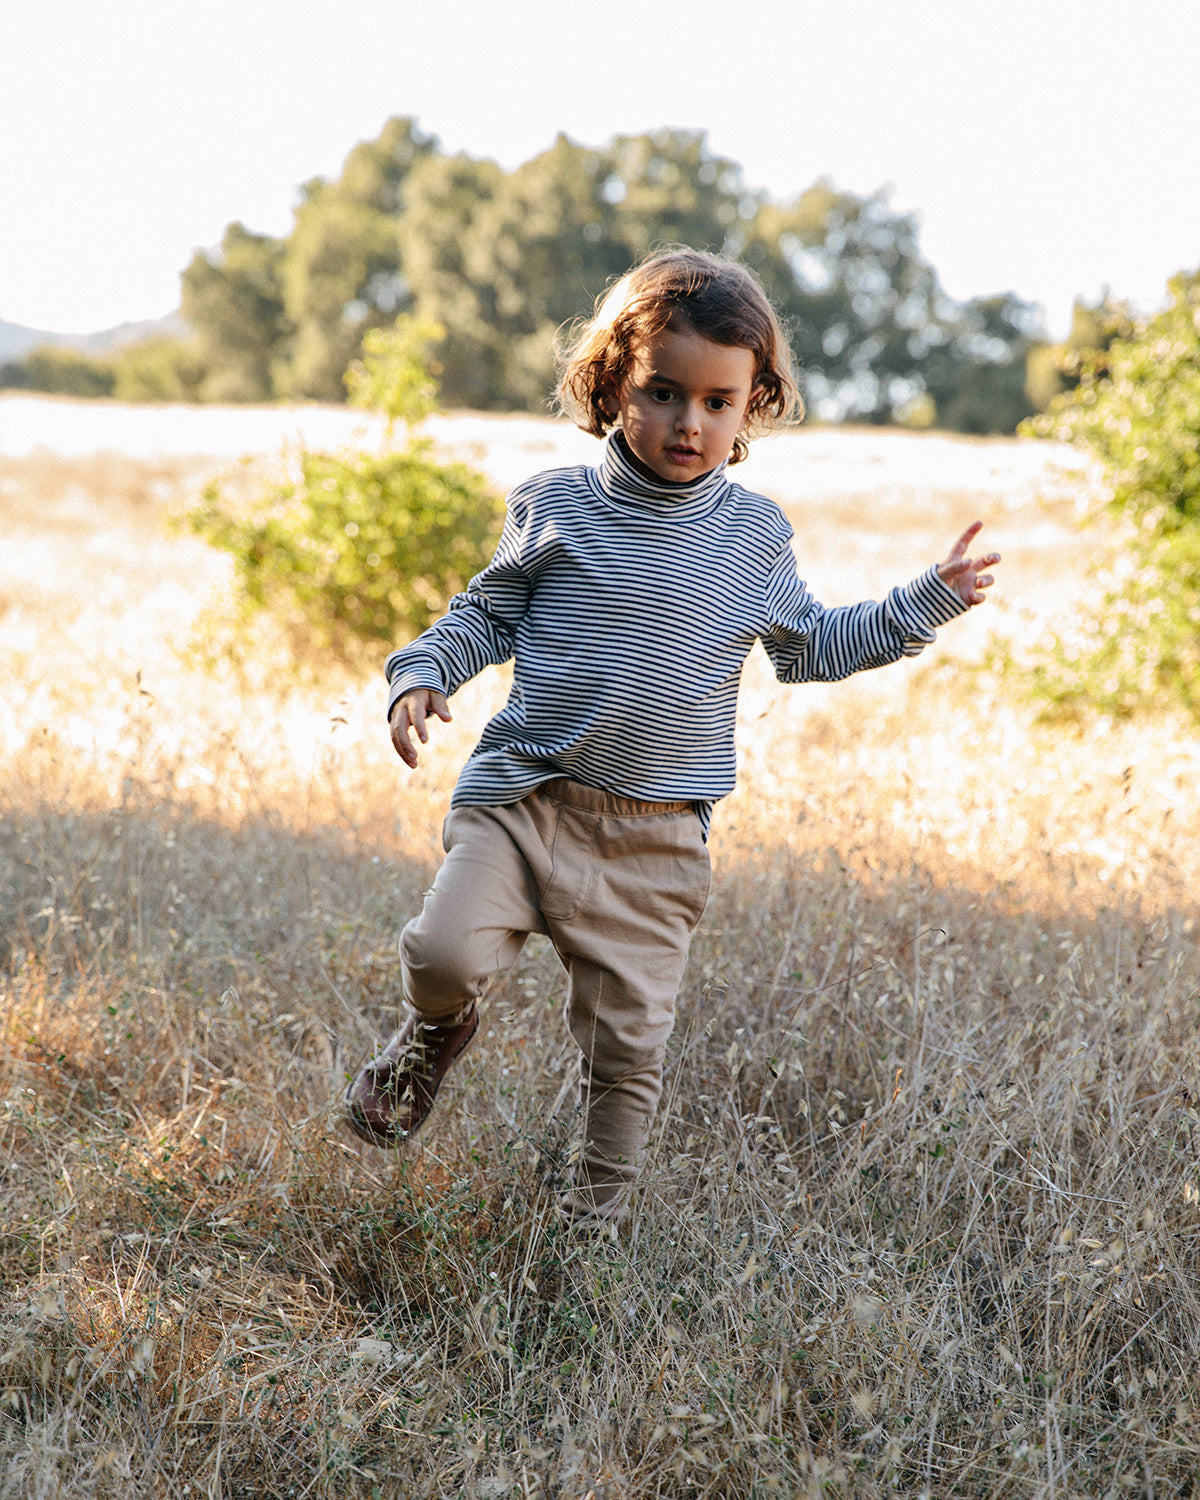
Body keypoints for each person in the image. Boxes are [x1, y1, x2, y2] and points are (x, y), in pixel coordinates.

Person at [344, 247, 1000, 1225]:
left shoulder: (753, 537)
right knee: (441, 955)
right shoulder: (553, 507)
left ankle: (595, 1227)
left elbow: (812, 646)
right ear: (612, 386)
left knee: (628, 1050)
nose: (689, 423)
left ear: (752, 407)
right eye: (661, 392)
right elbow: (483, 615)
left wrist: (923, 602)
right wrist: (422, 673)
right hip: (525, 801)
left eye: (718, 402)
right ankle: (432, 1039)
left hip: (654, 840)